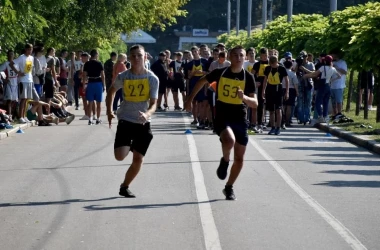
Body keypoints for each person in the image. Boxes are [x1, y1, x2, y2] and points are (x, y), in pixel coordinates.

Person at [185, 45, 258, 200]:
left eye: (241, 55)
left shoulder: (248, 77)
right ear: (230, 57)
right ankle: (225, 159)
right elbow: (201, 81)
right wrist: (190, 99)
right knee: (229, 140)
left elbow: (255, 103)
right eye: (235, 55)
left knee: (239, 158)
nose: (238, 58)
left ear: (245, 58)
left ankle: (229, 187)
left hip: (240, 117)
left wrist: (244, 97)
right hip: (222, 115)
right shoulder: (220, 72)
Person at [106, 44, 159, 198]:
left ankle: (125, 186)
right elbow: (111, 91)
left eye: (139, 55)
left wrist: (148, 114)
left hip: (142, 122)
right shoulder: (123, 76)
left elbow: (154, 103)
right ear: (129, 58)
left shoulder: (151, 78)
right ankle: (130, 145)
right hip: (126, 119)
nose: (136, 58)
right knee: (120, 156)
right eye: (133, 55)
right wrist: (109, 111)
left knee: (138, 158)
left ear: (145, 57)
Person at [9, 43, 39, 123]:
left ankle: (24, 115)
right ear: (25, 49)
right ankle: (20, 117)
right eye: (29, 49)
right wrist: (18, 72)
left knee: (27, 99)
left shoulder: (31, 58)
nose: (30, 51)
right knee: (23, 99)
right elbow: (11, 64)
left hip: (30, 80)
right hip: (23, 80)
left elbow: (30, 69)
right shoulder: (21, 57)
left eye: (31, 49)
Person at [262, 55, 289, 135]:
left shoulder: (281, 68)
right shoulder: (267, 68)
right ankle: (272, 127)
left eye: (273, 63)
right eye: (271, 63)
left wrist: (287, 92)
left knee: (278, 109)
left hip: (278, 88)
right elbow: (265, 80)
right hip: (270, 88)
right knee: (271, 110)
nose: (272, 65)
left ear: (277, 62)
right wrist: (263, 90)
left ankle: (278, 127)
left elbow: (286, 80)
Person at [82, 50, 105, 125]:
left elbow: (84, 75)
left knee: (90, 102)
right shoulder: (99, 63)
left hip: (90, 82)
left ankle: (90, 119)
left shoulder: (87, 64)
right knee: (98, 102)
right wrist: (103, 85)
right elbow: (102, 75)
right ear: (96, 55)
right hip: (98, 83)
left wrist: (83, 85)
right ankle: (98, 119)